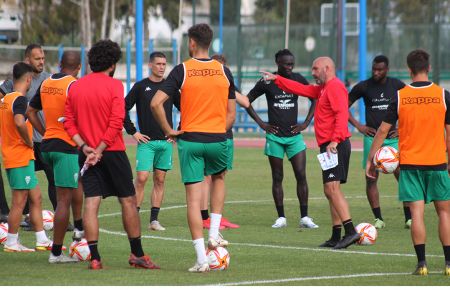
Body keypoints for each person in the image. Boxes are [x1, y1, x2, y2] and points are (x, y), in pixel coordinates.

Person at [64, 40, 159, 270]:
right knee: (127, 199)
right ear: (113, 63)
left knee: (91, 203)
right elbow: (117, 122)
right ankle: (137, 254)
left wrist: (84, 147)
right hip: (112, 152)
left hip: (87, 154)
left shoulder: (75, 87)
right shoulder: (115, 86)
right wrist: (99, 149)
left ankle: (95, 258)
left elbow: (68, 121)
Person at [151, 23, 236, 272]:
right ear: (210, 43)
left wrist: (168, 130)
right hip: (218, 138)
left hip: (190, 140)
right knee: (219, 179)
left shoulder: (182, 70)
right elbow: (231, 113)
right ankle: (214, 233)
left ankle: (201, 260)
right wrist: (220, 129)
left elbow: (156, 103)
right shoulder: (224, 70)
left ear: (191, 42)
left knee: (193, 199)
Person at [366, 49, 450, 276]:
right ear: (429, 68)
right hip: (438, 163)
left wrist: (371, 159)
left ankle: (422, 264)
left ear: (409, 70)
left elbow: (383, 131)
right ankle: (449, 264)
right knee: (444, 213)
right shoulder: (443, 95)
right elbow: (449, 133)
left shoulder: (400, 96)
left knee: (417, 214)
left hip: (411, 165)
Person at [262, 56, 360, 249]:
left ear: (327, 68)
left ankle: (351, 232)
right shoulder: (323, 88)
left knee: (333, 189)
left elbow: (342, 114)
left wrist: (335, 139)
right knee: (330, 191)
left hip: (336, 145)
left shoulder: (335, 87)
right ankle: (336, 235)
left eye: (315, 69)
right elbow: (302, 89)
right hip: (328, 146)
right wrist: (277, 80)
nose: (313, 73)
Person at [245, 49, 318, 229]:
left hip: (294, 137)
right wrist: (262, 124)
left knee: (301, 175)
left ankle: (305, 217)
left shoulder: (298, 78)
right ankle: (281, 218)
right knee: (277, 177)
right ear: (277, 63)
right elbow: (247, 101)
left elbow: (315, 97)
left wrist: (306, 122)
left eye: (292, 64)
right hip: (274, 137)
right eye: (286, 64)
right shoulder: (267, 81)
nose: (290, 67)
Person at [27, 51, 84, 263]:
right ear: (79, 67)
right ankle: (57, 253)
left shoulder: (46, 82)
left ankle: (79, 228)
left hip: (47, 145)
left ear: (59, 64)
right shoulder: (74, 85)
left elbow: (30, 111)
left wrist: (44, 132)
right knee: (63, 201)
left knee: (77, 183)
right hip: (65, 147)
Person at [348, 55, 411, 229]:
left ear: (387, 70)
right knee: (371, 178)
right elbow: (342, 105)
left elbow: (410, 107)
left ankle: (409, 218)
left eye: (380, 69)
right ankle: (378, 219)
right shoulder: (364, 86)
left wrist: (402, 129)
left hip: (393, 139)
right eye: (374, 69)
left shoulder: (397, 85)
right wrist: (359, 126)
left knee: (403, 176)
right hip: (372, 138)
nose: (376, 72)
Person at [0, 44, 58, 231]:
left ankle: (59, 216)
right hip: (25, 144)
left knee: (52, 180)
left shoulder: (49, 79)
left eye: (42, 58)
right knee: (25, 189)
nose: (41, 62)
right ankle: (24, 222)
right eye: (37, 59)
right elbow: (11, 111)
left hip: (44, 140)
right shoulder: (13, 84)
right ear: (27, 60)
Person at [124, 51, 178, 231]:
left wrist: (176, 132)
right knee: (141, 178)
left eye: (164, 64)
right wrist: (133, 132)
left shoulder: (170, 88)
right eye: (158, 64)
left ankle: (154, 220)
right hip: (146, 143)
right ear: (150, 65)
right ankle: (135, 217)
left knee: (160, 179)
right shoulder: (141, 87)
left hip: (165, 143)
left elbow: (186, 107)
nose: (162, 67)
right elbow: (122, 108)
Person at [200, 54, 247, 230]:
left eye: (223, 68)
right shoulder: (205, 88)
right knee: (206, 177)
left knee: (220, 176)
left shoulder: (227, 84)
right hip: (210, 134)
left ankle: (216, 216)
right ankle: (204, 217)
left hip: (226, 135)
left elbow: (245, 102)